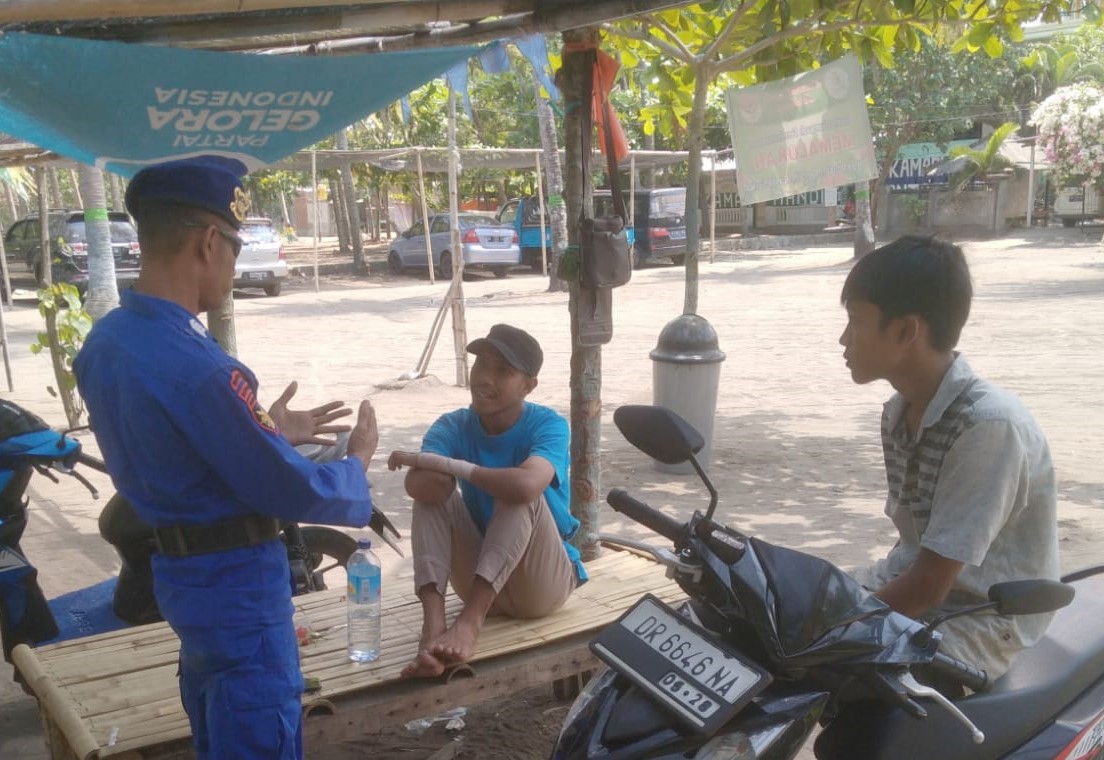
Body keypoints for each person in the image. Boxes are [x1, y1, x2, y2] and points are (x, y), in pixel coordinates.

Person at [73, 156, 380, 760]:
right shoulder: (202, 367)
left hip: (184, 584)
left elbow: (177, 451)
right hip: (239, 592)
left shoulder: (107, 344)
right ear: (209, 242)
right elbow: (287, 490)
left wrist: (266, 428)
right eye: (236, 251)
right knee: (258, 733)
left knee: (217, 730)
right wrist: (356, 464)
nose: (235, 269)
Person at [838, 234, 1059, 684]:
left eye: (856, 322)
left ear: (905, 331)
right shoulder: (900, 412)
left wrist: (831, 631)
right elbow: (914, 556)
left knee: (830, 674)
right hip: (919, 585)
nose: (843, 339)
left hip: (981, 619)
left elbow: (930, 585)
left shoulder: (987, 427)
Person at [387, 323, 585, 678]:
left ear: (528, 385)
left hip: (541, 585)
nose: (485, 379)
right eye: (481, 365)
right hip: (484, 573)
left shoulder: (549, 425)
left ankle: (469, 624)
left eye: (503, 372)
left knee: (518, 494)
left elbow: (526, 487)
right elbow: (422, 487)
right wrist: (429, 469)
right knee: (434, 497)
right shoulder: (452, 425)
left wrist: (441, 464)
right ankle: (431, 631)